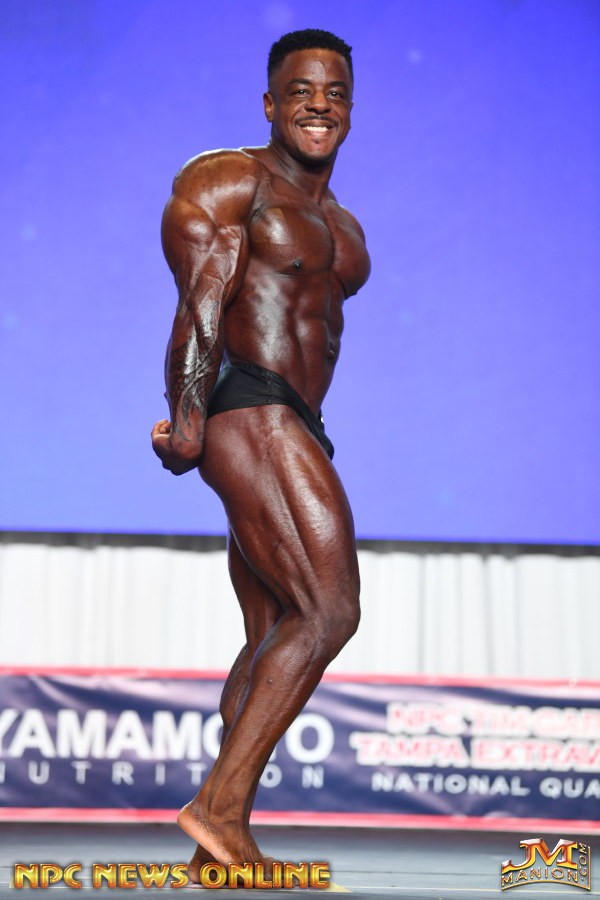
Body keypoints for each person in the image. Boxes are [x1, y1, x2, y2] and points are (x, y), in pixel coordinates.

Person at [151, 28, 370, 874]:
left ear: (350, 109)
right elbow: (202, 299)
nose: (319, 104)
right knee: (330, 610)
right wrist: (187, 415)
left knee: (277, 627)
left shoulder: (342, 224)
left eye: (335, 92)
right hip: (250, 405)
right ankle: (218, 809)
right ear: (271, 103)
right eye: (301, 90)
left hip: (298, 422)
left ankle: (217, 843)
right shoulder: (232, 180)